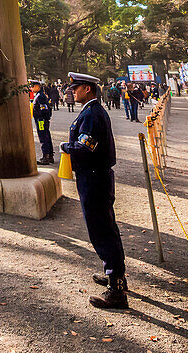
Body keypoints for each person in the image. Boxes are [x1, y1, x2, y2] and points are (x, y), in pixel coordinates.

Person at [60, 72, 128, 310]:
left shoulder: (91, 113)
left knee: (101, 230)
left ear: (87, 89)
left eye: (76, 88)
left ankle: (116, 290)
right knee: (107, 227)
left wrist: (65, 146)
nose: (72, 91)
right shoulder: (92, 110)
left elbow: (85, 146)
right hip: (95, 176)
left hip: (93, 177)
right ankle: (116, 276)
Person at [30, 80, 54, 165]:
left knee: (43, 136)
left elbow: (44, 109)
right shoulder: (39, 95)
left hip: (41, 120)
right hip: (41, 119)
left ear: (37, 86)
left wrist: (44, 118)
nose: (31, 88)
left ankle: (46, 156)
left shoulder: (40, 96)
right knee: (46, 135)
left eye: (32, 86)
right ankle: (50, 156)